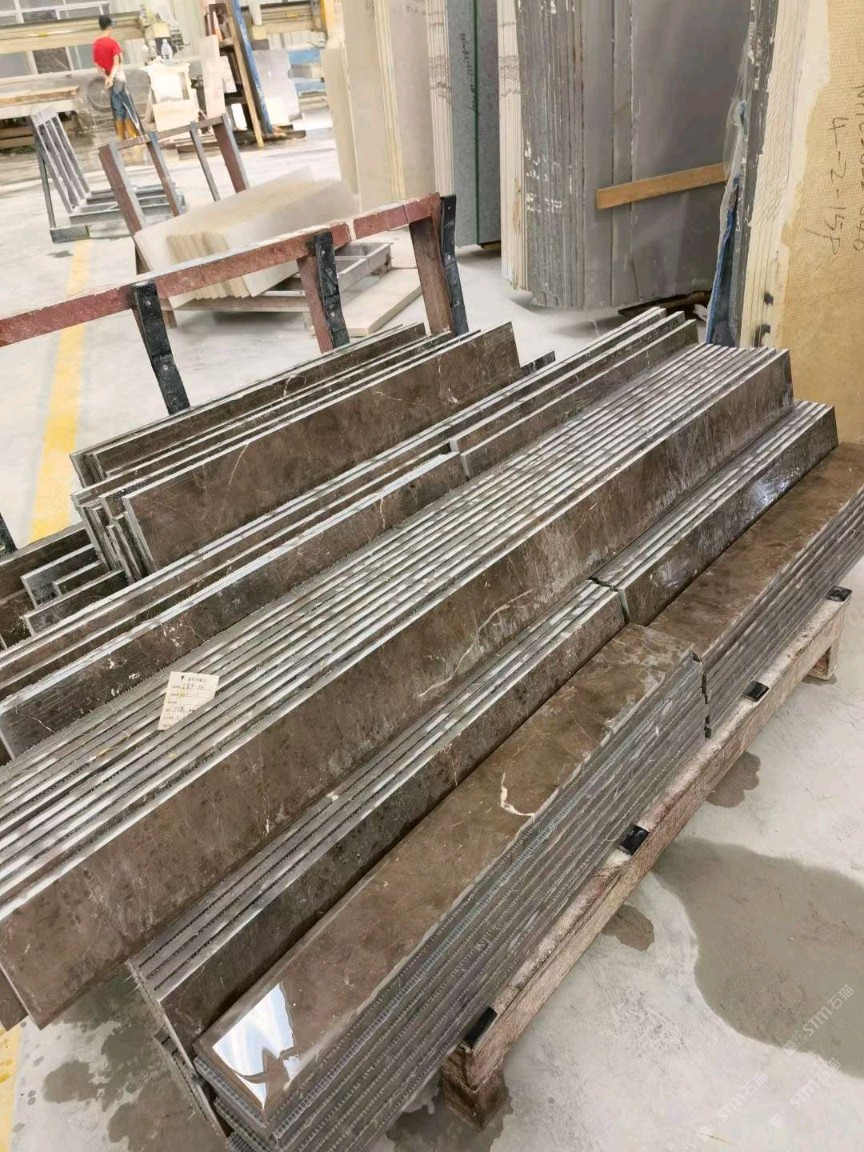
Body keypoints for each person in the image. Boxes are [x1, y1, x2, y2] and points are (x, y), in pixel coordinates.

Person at [93, 15, 140, 141]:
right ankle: (133, 135)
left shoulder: (96, 44)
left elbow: (97, 65)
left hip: (108, 80)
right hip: (118, 78)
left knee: (116, 106)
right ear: (110, 27)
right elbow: (117, 63)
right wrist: (111, 77)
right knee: (126, 105)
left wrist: (106, 78)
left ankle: (121, 136)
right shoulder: (113, 43)